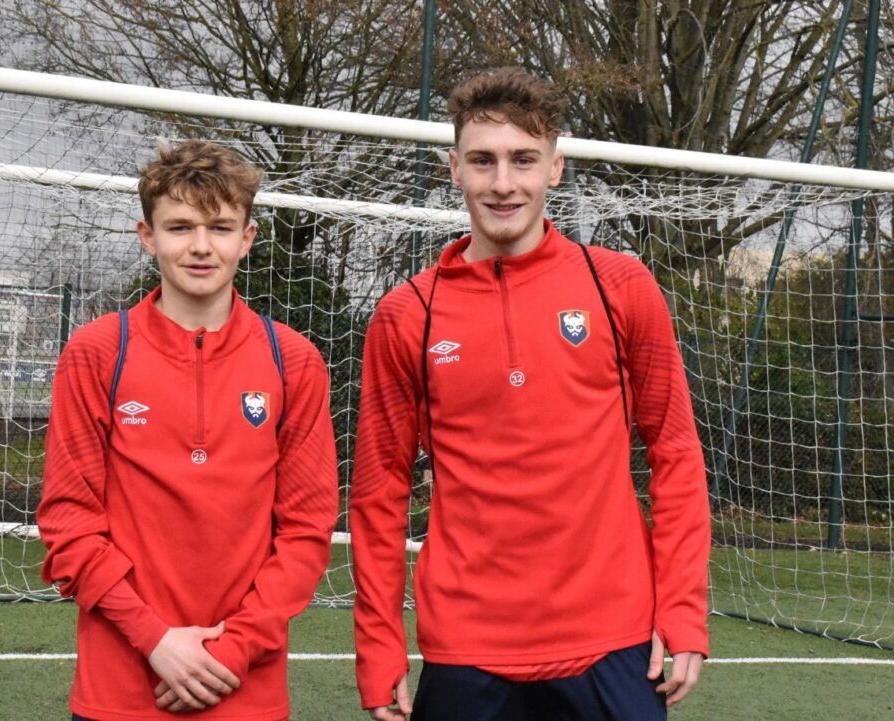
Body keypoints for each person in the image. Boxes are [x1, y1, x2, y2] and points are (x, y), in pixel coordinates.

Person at [350, 67, 711, 721]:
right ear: (453, 168)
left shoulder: (620, 287)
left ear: (556, 167)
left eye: (523, 159)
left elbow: (676, 453)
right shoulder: (409, 315)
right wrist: (379, 646)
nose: (503, 183)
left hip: (613, 640)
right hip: (467, 645)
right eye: (483, 161)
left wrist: (682, 606)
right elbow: (378, 495)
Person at [38, 139, 338, 721]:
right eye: (179, 227)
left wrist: (235, 650)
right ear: (147, 236)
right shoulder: (98, 352)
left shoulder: (292, 360)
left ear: (247, 239)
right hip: (121, 691)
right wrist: (155, 640)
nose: (201, 247)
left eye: (221, 227)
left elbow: (305, 530)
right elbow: (69, 524)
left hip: (245, 690)